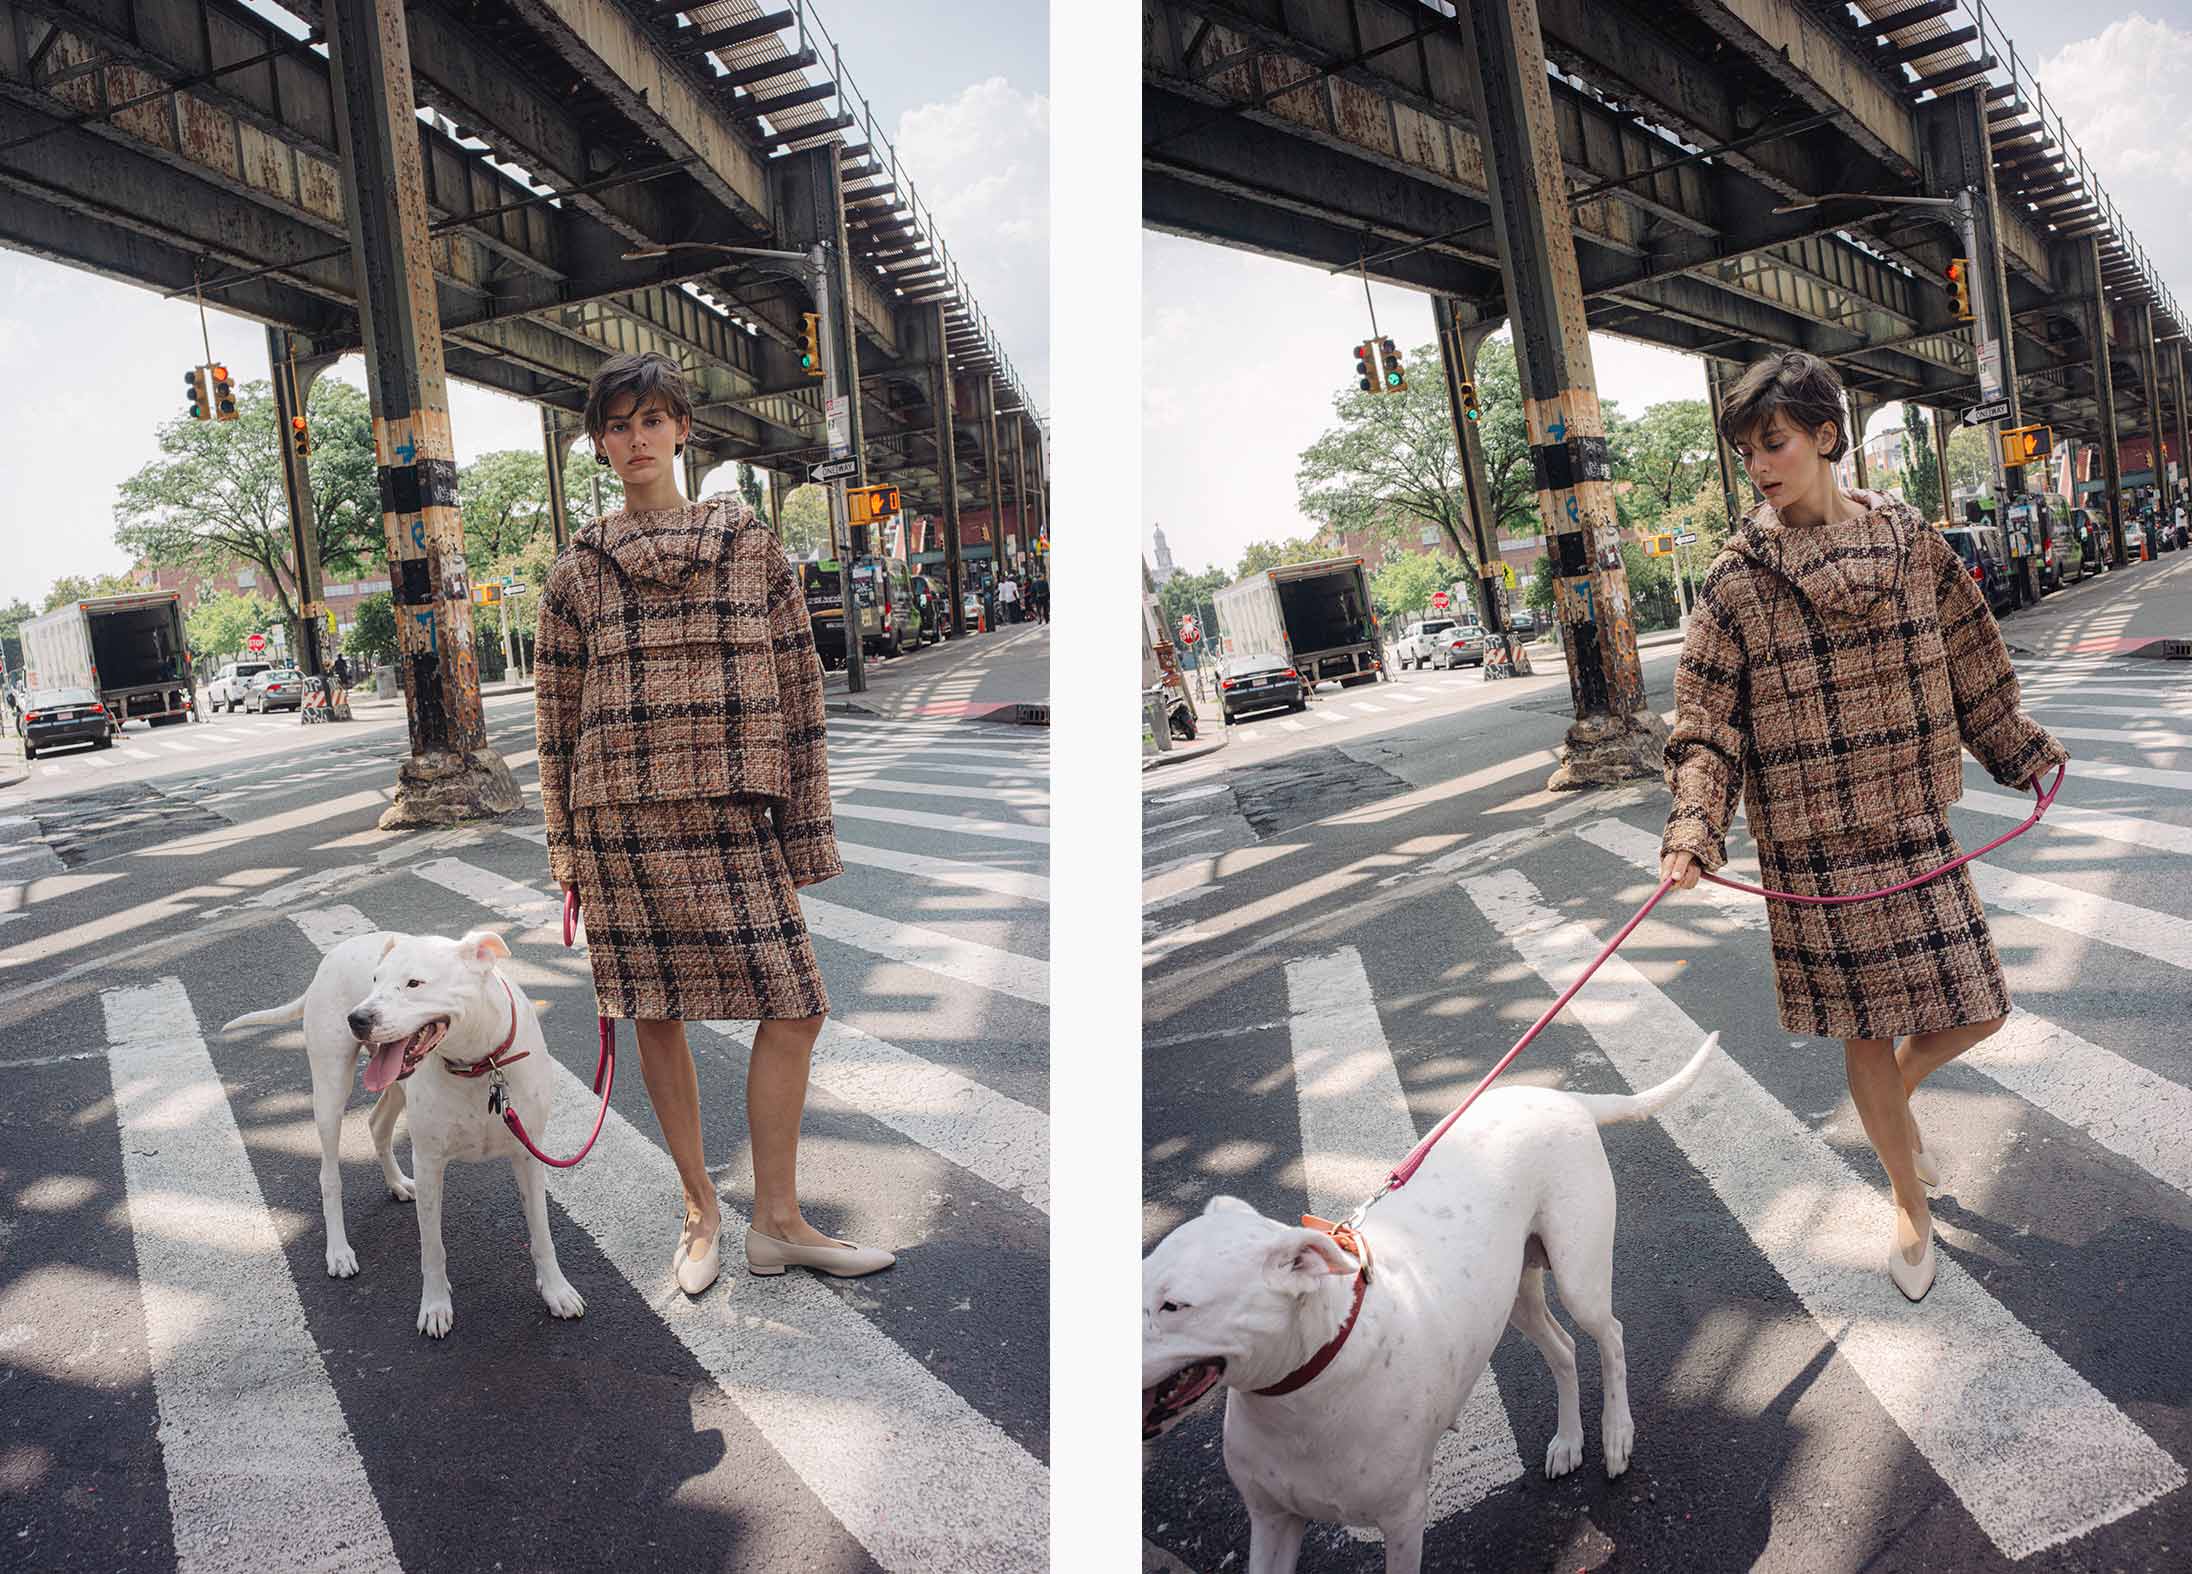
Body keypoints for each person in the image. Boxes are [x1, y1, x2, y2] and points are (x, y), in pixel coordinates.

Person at [1659, 351, 2067, 1305]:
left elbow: (1972, 658)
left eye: (1778, 441)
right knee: (1865, 1032)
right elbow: (1706, 723)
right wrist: (1693, 827)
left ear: (1826, 437)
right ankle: (1906, 1200)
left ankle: (1894, 1106)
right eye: (1749, 450)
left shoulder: (1912, 542)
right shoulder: (1732, 582)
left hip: (1913, 821)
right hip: (1811, 844)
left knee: (1980, 1006)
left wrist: (2017, 744)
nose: (1761, 464)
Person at [534, 350, 895, 1296]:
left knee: (798, 1004)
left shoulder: (752, 546)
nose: (635, 439)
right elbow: (556, 719)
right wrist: (566, 852)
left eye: (652, 419)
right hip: (621, 823)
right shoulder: (576, 571)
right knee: (657, 1013)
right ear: (599, 443)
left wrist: (806, 825)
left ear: (683, 429)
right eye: (617, 425)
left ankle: (776, 1221)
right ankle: (702, 1210)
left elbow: (798, 687)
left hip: (733, 812)